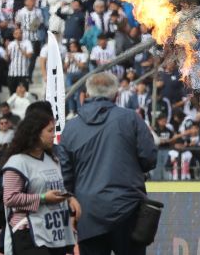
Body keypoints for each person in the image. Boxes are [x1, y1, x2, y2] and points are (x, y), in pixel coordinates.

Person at [59, 73, 158, 255]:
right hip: (128, 210)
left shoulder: (70, 128)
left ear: (86, 95)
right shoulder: (131, 119)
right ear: (116, 95)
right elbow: (150, 158)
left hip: (87, 213)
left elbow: (65, 176)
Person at [2, 104, 80, 255]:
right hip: (29, 233)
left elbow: (56, 189)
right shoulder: (17, 162)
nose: (54, 135)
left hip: (54, 232)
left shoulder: (52, 159)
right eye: (50, 131)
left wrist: (69, 199)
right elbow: (10, 198)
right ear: (36, 133)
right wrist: (43, 198)